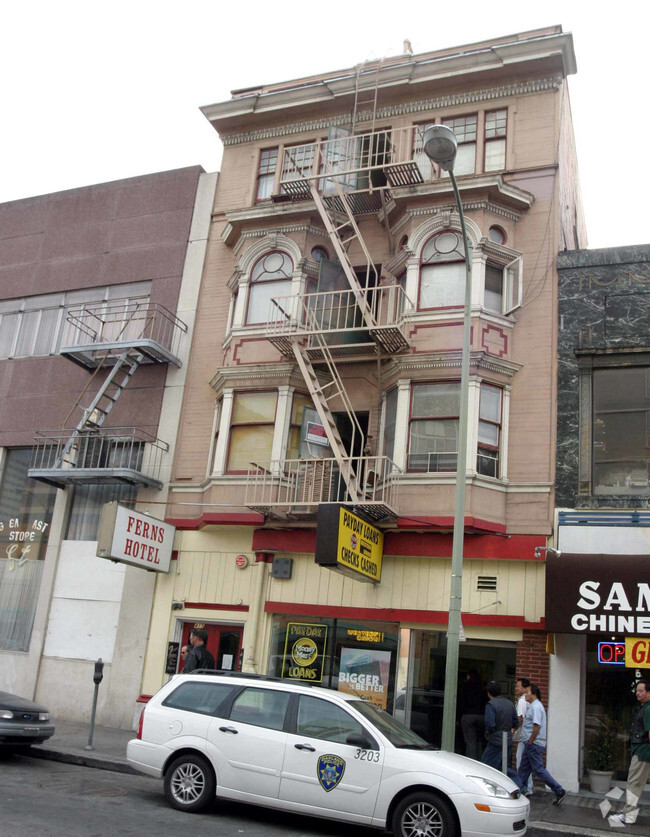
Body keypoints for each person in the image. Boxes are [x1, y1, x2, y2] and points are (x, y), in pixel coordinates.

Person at [609, 679, 650, 826]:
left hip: (642, 752)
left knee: (633, 784)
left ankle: (629, 816)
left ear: (648, 692)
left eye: (641, 691)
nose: (637, 693)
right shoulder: (644, 707)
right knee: (636, 784)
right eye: (637, 691)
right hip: (643, 751)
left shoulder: (648, 709)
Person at [517, 684, 566, 805]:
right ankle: (517, 792)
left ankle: (559, 790)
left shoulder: (535, 708)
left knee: (538, 769)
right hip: (531, 744)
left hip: (533, 744)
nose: (525, 695)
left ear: (533, 694)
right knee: (523, 769)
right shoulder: (534, 706)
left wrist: (530, 741)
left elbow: (537, 725)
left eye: (527, 692)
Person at [481, 681, 521, 788]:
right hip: (507, 739)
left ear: (489, 693)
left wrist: (489, 733)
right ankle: (520, 786)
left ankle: (520, 786)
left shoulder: (491, 705)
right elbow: (516, 722)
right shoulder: (510, 703)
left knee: (485, 765)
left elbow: (490, 724)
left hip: (495, 740)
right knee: (504, 766)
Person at [458, 668, 487, 760]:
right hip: (481, 716)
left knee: (470, 741)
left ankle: (472, 762)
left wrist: (458, 718)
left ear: (469, 676)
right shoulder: (482, 688)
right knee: (479, 740)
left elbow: (460, 703)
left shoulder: (464, 687)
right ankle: (480, 760)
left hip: (468, 716)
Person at [514, 677, 533, 794]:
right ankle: (528, 787)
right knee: (525, 762)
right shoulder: (528, 701)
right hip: (527, 735)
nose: (516, 688)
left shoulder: (522, 701)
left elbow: (520, 718)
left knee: (520, 761)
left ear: (525, 688)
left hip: (523, 736)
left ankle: (525, 787)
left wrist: (513, 728)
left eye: (518, 686)